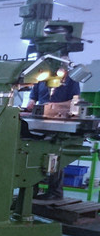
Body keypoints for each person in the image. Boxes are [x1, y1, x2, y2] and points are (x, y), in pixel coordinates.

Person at [26, 70, 81, 200]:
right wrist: (31, 104)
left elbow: (75, 102)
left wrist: (54, 105)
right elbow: (33, 98)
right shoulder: (41, 78)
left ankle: (55, 192)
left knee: (55, 154)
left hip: (59, 120)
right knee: (32, 154)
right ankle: (30, 191)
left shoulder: (72, 81)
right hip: (40, 121)